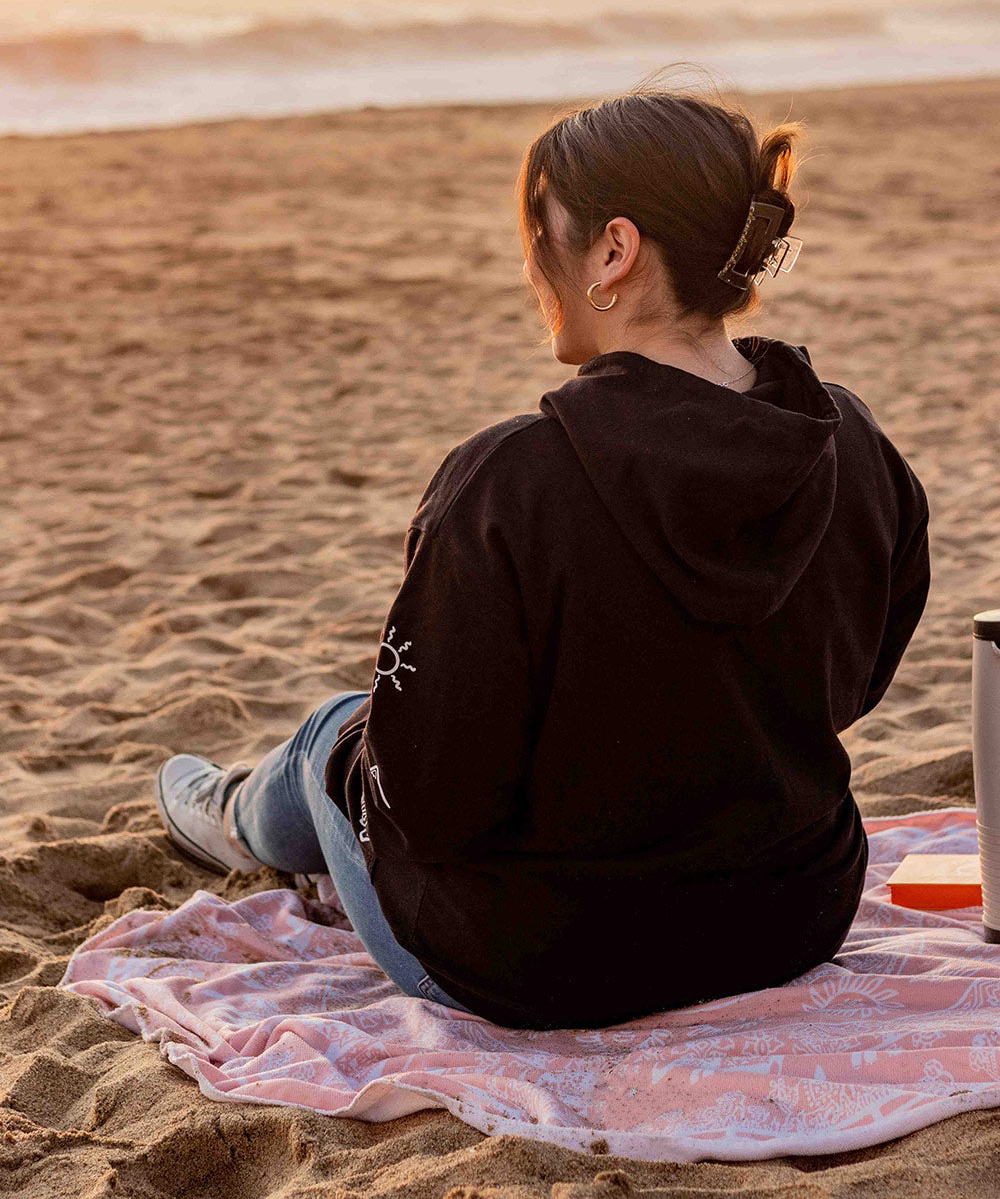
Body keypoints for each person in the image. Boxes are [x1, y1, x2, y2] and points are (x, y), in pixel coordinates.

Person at [155, 89, 930, 1031]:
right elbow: (852, 684)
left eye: (538, 226)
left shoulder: (508, 482)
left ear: (613, 250)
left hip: (544, 967)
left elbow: (432, 809)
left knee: (333, 737)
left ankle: (237, 816)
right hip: (788, 916)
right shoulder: (847, 437)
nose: (529, 259)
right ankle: (247, 807)